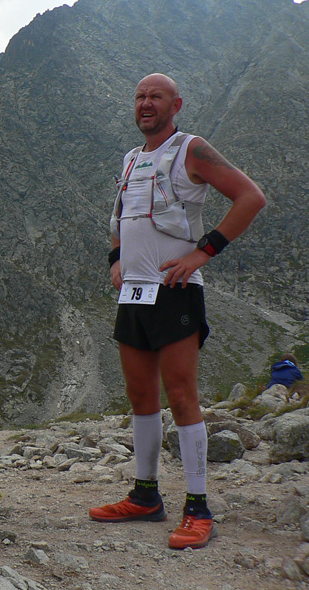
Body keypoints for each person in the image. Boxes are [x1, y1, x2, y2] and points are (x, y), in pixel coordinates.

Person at [91, 74, 266, 549]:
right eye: (140, 97)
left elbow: (251, 197)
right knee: (140, 396)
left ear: (176, 104)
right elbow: (120, 220)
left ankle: (198, 507)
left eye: (156, 96)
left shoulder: (192, 148)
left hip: (175, 290)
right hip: (134, 293)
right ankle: (145, 496)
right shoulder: (131, 159)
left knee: (182, 395)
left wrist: (201, 254)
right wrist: (115, 261)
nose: (146, 103)